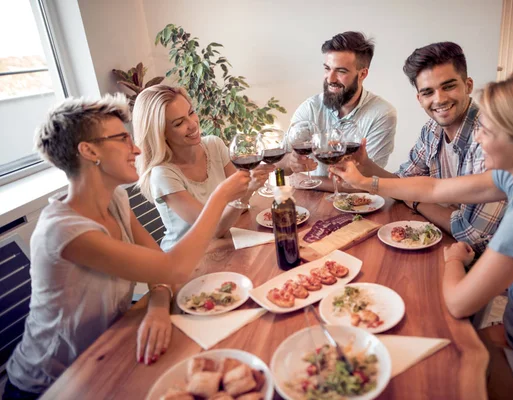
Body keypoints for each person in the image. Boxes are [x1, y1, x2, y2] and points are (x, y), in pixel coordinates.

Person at [331, 70, 513, 399]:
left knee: (435, 370)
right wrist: (365, 181)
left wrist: (455, 258)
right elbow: (434, 187)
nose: (477, 138)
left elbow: (459, 303)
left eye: (486, 130)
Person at [3, 94, 250, 400]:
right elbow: (175, 267)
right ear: (89, 150)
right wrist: (220, 197)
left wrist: (158, 306)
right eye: (122, 138)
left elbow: (158, 266)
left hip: (111, 347)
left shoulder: (117, 199)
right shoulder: (63, 230)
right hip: (53, 383)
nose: (135, 149)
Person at [352, 42, 506, 255]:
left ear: (468, 85)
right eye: (428, 92)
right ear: (419, 98)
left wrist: (416, 201)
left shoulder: (489, 137)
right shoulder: (432, 129)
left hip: (496, 267)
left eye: (448, 86)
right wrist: (366, 165)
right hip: (449, 244)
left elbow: (472, 236)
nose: (439, 99)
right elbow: (403, 182)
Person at [133, 85, 273, 251]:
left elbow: (238, 210)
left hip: (222, 242)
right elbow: (212, 231)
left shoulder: (214, 145)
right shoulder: (163, 174)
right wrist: (246, 191)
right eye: (179, 123)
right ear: (160, 133)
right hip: (188, 260)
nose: (192, 124)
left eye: (191, 112)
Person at [282, 31, 397, 188]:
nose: (330, 78)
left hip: (358, 207)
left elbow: (370, 183)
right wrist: (290, 161)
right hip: (311, 204)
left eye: (341, 71)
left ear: (363, 74)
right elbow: (279, 163)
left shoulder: (382, 114)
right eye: (327, 69)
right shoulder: (310, 107)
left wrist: (308, 182)